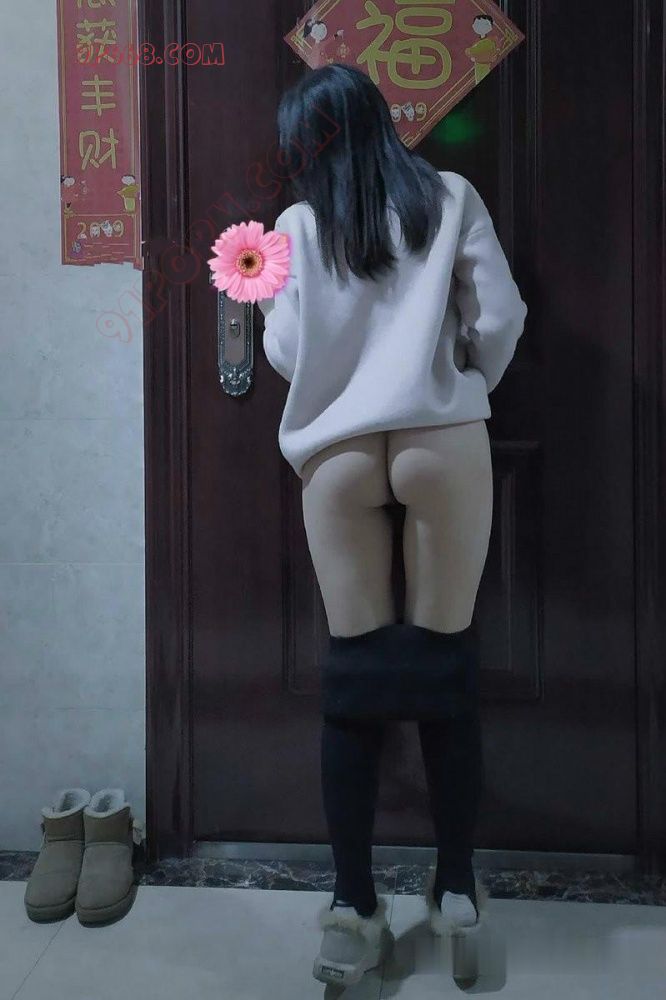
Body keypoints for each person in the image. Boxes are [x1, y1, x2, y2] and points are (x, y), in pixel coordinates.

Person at [257, 63, 527, 987]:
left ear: (305, 145)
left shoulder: (298, 226)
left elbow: (286, 351)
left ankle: (352, 908)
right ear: (381, 119)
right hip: (439, 441)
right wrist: (466, 376)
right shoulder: (449, 196)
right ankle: (454, 893)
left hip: (337, 455)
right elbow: (500, 315)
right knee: (444, 665)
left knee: (355, 679)